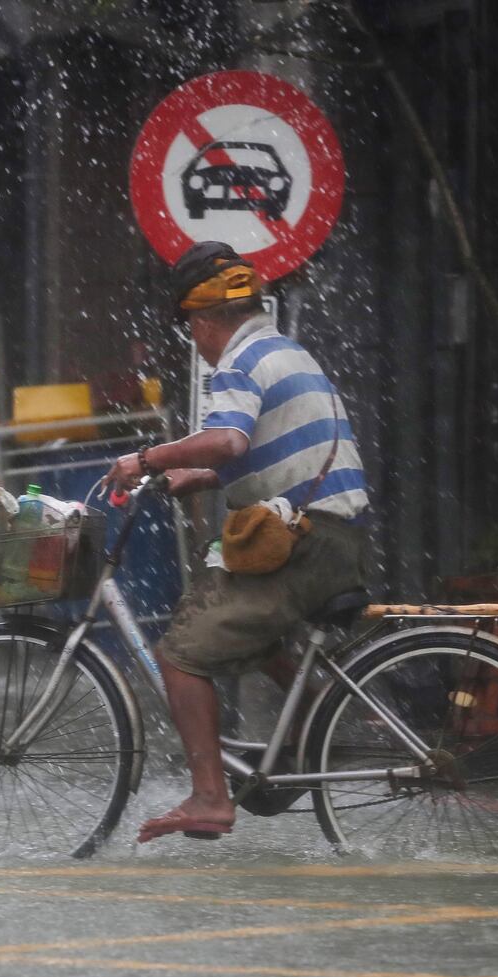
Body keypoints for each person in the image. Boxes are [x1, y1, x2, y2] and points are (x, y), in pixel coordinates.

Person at [104, 241, 371, 844]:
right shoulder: (284, 351)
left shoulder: (239, 361)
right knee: (239, 627)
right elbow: (268, 450)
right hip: (332, 538)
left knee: (181, 653)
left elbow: (228, 442)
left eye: (191, 329)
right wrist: (193, 476)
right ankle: (312, 715)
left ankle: (209, 797)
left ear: (202, 321)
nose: (195, 342)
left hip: (304, 545)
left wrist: (144, 456)